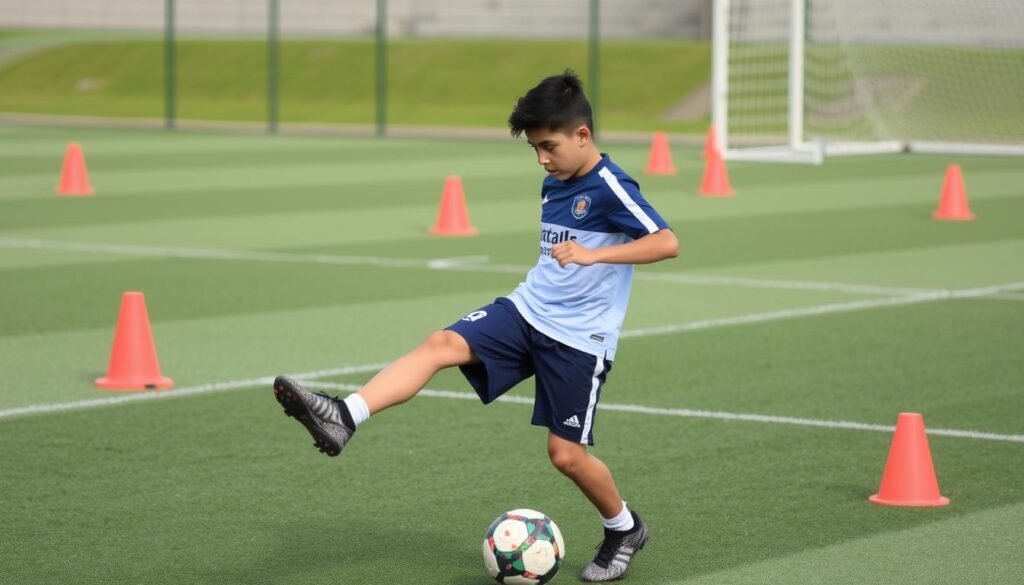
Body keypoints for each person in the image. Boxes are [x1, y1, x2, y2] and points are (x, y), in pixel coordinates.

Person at [272, 70, 679, 582]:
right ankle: (344, 415)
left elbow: (666, 242)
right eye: (534, 148)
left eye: (548, 146)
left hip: (579, 339)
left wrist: (597, 256)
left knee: (566, 456)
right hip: (527, 311)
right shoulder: (554, 182)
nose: (542, 159)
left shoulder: (611, 186)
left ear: (582, 135)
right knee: (440, 343)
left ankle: (624, 528)